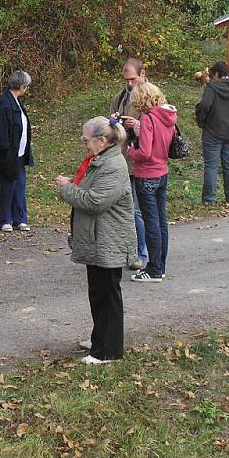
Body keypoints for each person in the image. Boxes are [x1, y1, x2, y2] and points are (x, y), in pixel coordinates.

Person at [55, 117, 136, 364]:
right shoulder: (102, 160)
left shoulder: (113, 165)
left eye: (86, 140)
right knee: (98, 292)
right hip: (98, 238)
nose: (84, 144)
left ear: (102, 140)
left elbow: (94, 201)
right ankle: (100, 337)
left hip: (108, 239)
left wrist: (66, 188)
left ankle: (108, 351)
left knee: (107, 295)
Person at [126, 83, 176, 283]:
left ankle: (153, 269)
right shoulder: (168, 116)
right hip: (162, 171)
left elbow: (145, 152)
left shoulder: (148, 119)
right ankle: (160, 265)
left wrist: (131, 151)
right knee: (161, 221)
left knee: (151, 222)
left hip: (147, 174)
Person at [110, 58, 151, 270]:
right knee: (122, 210)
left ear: (142, 74)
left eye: (132, 79)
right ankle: (128, 250)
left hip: (143, 162)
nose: (129, 83)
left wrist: (138, 125)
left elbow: (160, 126)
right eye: (126, 79)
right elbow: (111, 129)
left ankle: (143, 252)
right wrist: (114, 121)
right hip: (122, 160)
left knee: (138, 210)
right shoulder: (120, 97)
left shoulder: (151, 96)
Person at [0, 70, 34, 232]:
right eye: (26, 86)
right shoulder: (4, 103)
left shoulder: (17, 102)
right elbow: (0, 133)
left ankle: (20, 218)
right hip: (7, 154)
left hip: (19, 154)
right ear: (22, 86)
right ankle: (5, 219)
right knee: (7, 185)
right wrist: (6, 153)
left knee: (19, 185)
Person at [195, 60, 229, 207]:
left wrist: (201, 120)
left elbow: (205, 105)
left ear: (216, 74)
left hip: (213, 131)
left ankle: (209, 200)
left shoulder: (212, 87)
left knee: (211, 166)